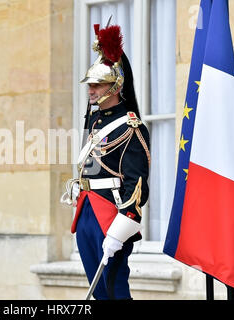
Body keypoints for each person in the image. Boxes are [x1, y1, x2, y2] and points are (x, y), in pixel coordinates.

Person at [61, 23, 150, 300]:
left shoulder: (130, 126)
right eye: (91, 84)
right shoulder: (96, 120)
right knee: (99, 292)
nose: (91, 90)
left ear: (116, 85)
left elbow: (136, 184)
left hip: (110, 216)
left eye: (98, 84)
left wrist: (121, 226)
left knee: (114, 290)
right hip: (86, 211)